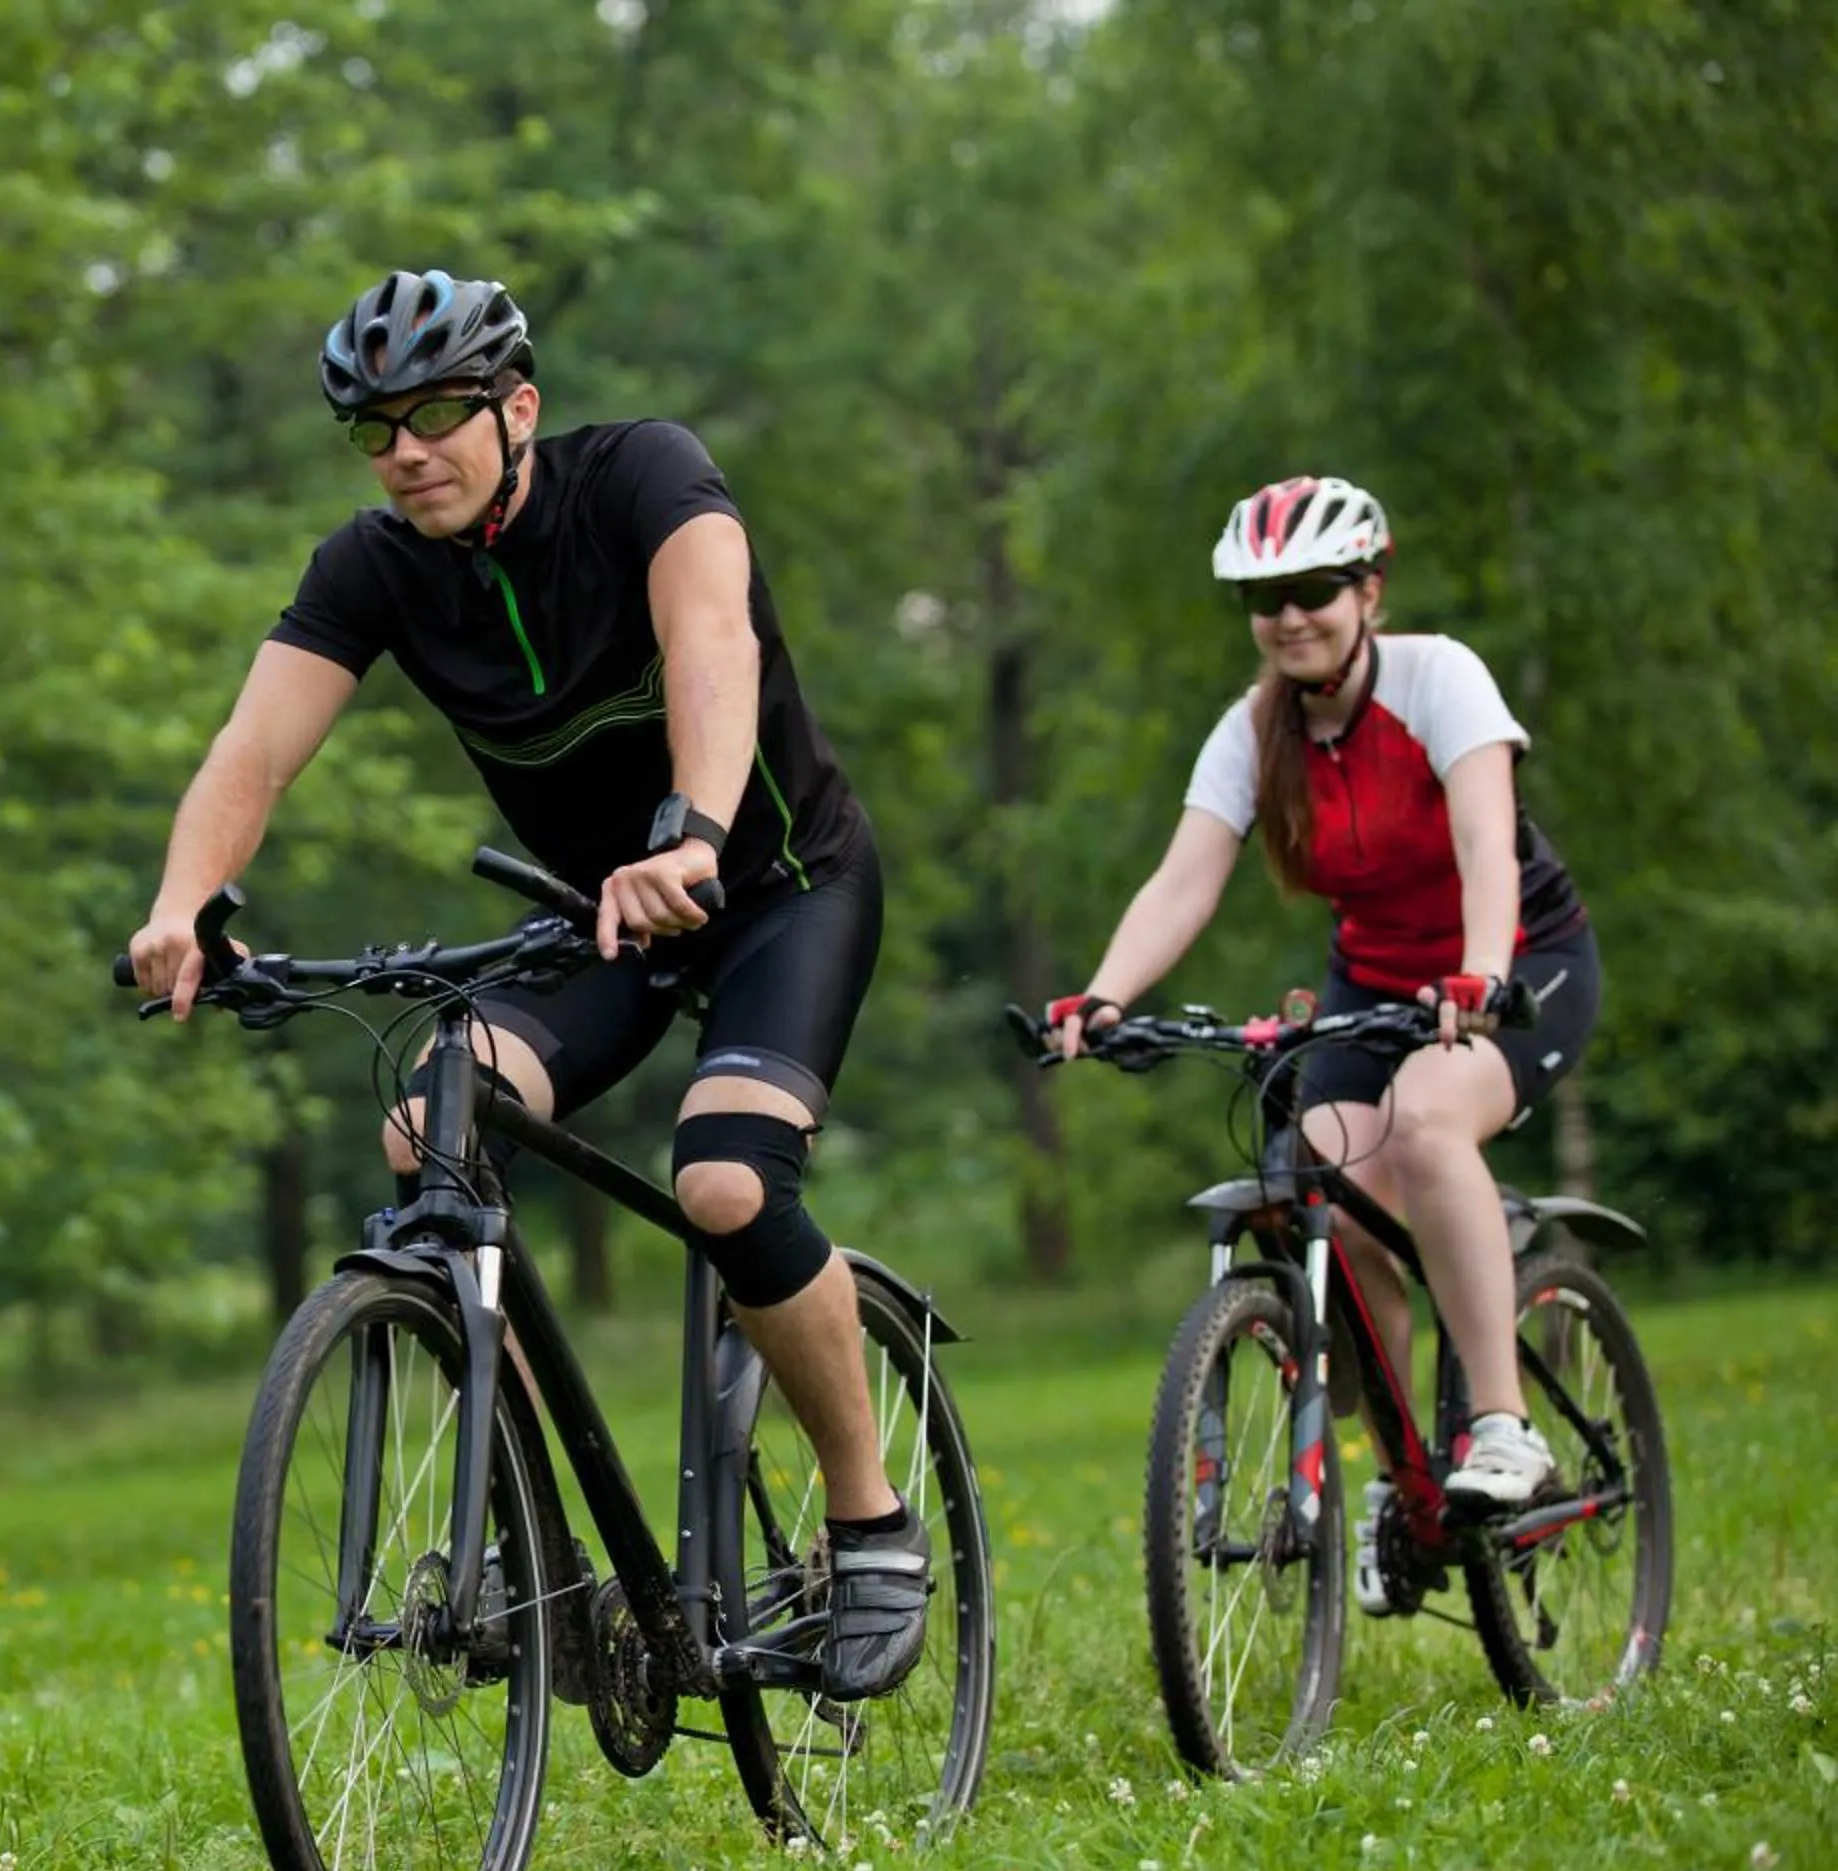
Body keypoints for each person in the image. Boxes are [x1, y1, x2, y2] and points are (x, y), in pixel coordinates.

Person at [124, 268, 925, 1698]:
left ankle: (869, 1522)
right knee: (430, 1126)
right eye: (375, 429)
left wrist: (693, 830)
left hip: (778, 885)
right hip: (596, 923)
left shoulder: (644, 477)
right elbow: (255, 750)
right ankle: (539, 1541)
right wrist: (183, 904)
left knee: (726, 1183)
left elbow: (712, 642)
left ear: (521, 408)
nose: (406, 451)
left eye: (438, 413)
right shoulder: (370, 568)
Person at [1046, 474, 1600, 1614]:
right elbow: (1185, 878)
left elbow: (1486, 842)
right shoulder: (1255, 732)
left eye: (1313, 590)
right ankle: (1408, 1479)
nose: (1290, 616)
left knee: (1428, 1122)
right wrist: (1103, 995)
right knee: (1328, 1183)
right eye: (1266, 598)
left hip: (1519, 962)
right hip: (1377, 983)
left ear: (1368, 591)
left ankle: (1505, 1425)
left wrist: (1482, 973)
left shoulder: (1440, 679)